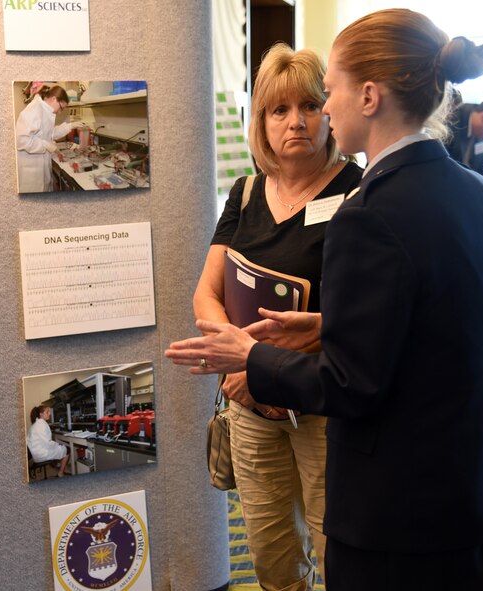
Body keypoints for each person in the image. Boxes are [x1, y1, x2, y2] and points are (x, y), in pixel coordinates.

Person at [167, 9, 483, 590]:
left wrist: (250, 358)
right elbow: (448, 334)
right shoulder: (476, 191)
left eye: (327, 93)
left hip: (401, 514)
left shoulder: (367, 213)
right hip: (481, 491)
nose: (322, 110)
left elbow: (352, 383)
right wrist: (331, 328)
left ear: (371, 95)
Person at [193, 43, 361, 590]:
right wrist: (237, 367)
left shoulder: (360, 191)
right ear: (260, 121)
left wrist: (260, 361)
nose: (296, 123)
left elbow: (365, 312)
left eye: (310, 106)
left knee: (336, 544)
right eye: (278, 110)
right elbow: (206, 295)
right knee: (268, 551)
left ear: (329, 112)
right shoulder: (244, 194)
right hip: (249, 402)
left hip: (322, 406)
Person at [15, 85, 81, 193]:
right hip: (32, 169)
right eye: (61, 107)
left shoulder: (45, 110)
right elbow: (21, 140)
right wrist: (45, 145)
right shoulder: (35, 109)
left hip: (41, 165)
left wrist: (70, 126)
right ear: (54, 99)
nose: (60, 112)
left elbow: (50, 133)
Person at [26, 405, 69, 477]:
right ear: (41, 414)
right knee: (67, 449)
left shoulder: (35, 424)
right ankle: (60, 473)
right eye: (47, 412)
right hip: (41, 454)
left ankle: (61, 467)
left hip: (36, 453)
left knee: (60, 447)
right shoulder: (41, 425)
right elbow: (48, 443)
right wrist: (58, 445)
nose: (50, 413)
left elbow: (45, 441)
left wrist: (57, 445)